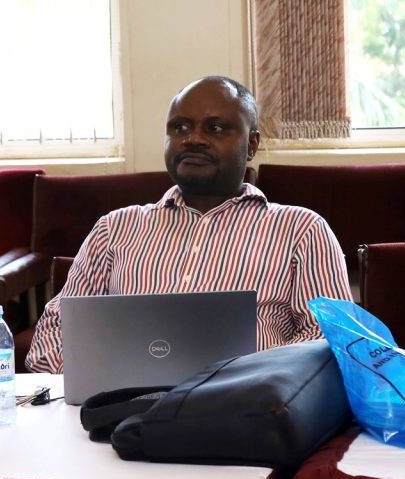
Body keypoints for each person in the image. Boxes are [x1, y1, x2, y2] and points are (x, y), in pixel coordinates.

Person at [25, 76, 352, 374]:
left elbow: (330, 336)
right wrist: (84, 381)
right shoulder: (116, 228)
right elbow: (58, 326)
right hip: (123, 408)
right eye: (180, 128)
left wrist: (264, 382)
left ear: (251, 144)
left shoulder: (301, 229)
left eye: (216, 128)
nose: (193, 139)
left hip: (246, 411)